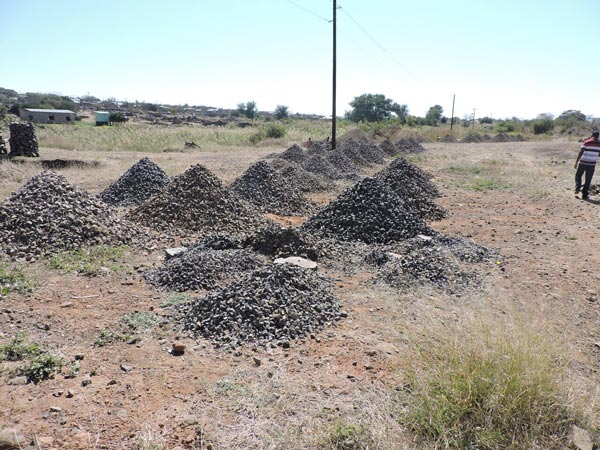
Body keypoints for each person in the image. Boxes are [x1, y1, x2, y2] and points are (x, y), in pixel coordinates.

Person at [574, 130, 600, 199]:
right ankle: (585, 194)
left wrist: (576, 162)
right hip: (592, 164)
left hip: (583, 162)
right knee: (588, 179)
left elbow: (581, 152)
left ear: (592, 135)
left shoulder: (587, 142)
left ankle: (577, 187)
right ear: (598, 136)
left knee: (578, 175)